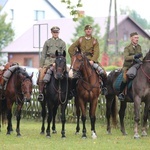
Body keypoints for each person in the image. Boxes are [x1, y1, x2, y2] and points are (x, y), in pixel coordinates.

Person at [68, 24, 108, 95]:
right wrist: (76, 58)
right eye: (87, 29)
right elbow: (70, 49)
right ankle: (73, 90)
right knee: (74, 75)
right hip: (81, 62)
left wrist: (93, 60)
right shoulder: (80, 39)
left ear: (91, 30)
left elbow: (97, 52)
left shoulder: (94, 41)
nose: (88, 30)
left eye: (89, 29)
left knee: (103, 72)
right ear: (85, 31)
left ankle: (104, 87)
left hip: (91, 61)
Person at [37, 26, 66, 101]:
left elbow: (64, 55)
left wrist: (56, 63)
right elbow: (43, 54)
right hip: (48, 61)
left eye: (57, 32)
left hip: (59, 62)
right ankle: (41, 93)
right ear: (51, 33)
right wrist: (41, 65)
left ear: (58, 33)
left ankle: (69, 92)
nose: (55, 33)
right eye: (54, 32)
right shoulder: (47, 42)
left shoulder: (62, 43)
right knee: (42, 74)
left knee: (69, 74)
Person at [118, 32, 143, 101]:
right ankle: (121, 93)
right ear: (131, 38)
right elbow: (126, 58)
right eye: (135, 38)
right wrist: (134, 57)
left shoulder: (139, 47)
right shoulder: (127, 48)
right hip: (128, 66)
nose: (137, 39)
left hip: (137, 66)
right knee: (125, 78)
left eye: (137, 38)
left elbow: (141, 56)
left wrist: (139, 60)